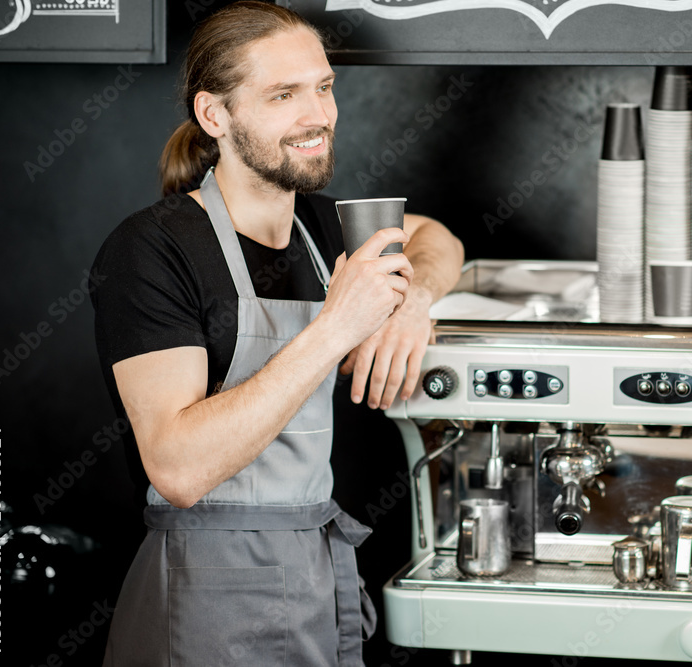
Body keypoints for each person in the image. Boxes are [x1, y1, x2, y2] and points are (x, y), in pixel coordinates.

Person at [89, 2, 464, 665]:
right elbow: (178, 467)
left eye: (323, 87)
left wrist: (416, 298)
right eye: (283, 95)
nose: (318, 115)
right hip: (204, 598)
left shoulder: (324, 232)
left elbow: (437, 238)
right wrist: (337, 324)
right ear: (215, 115)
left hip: (316, 579)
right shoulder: (153, 249)